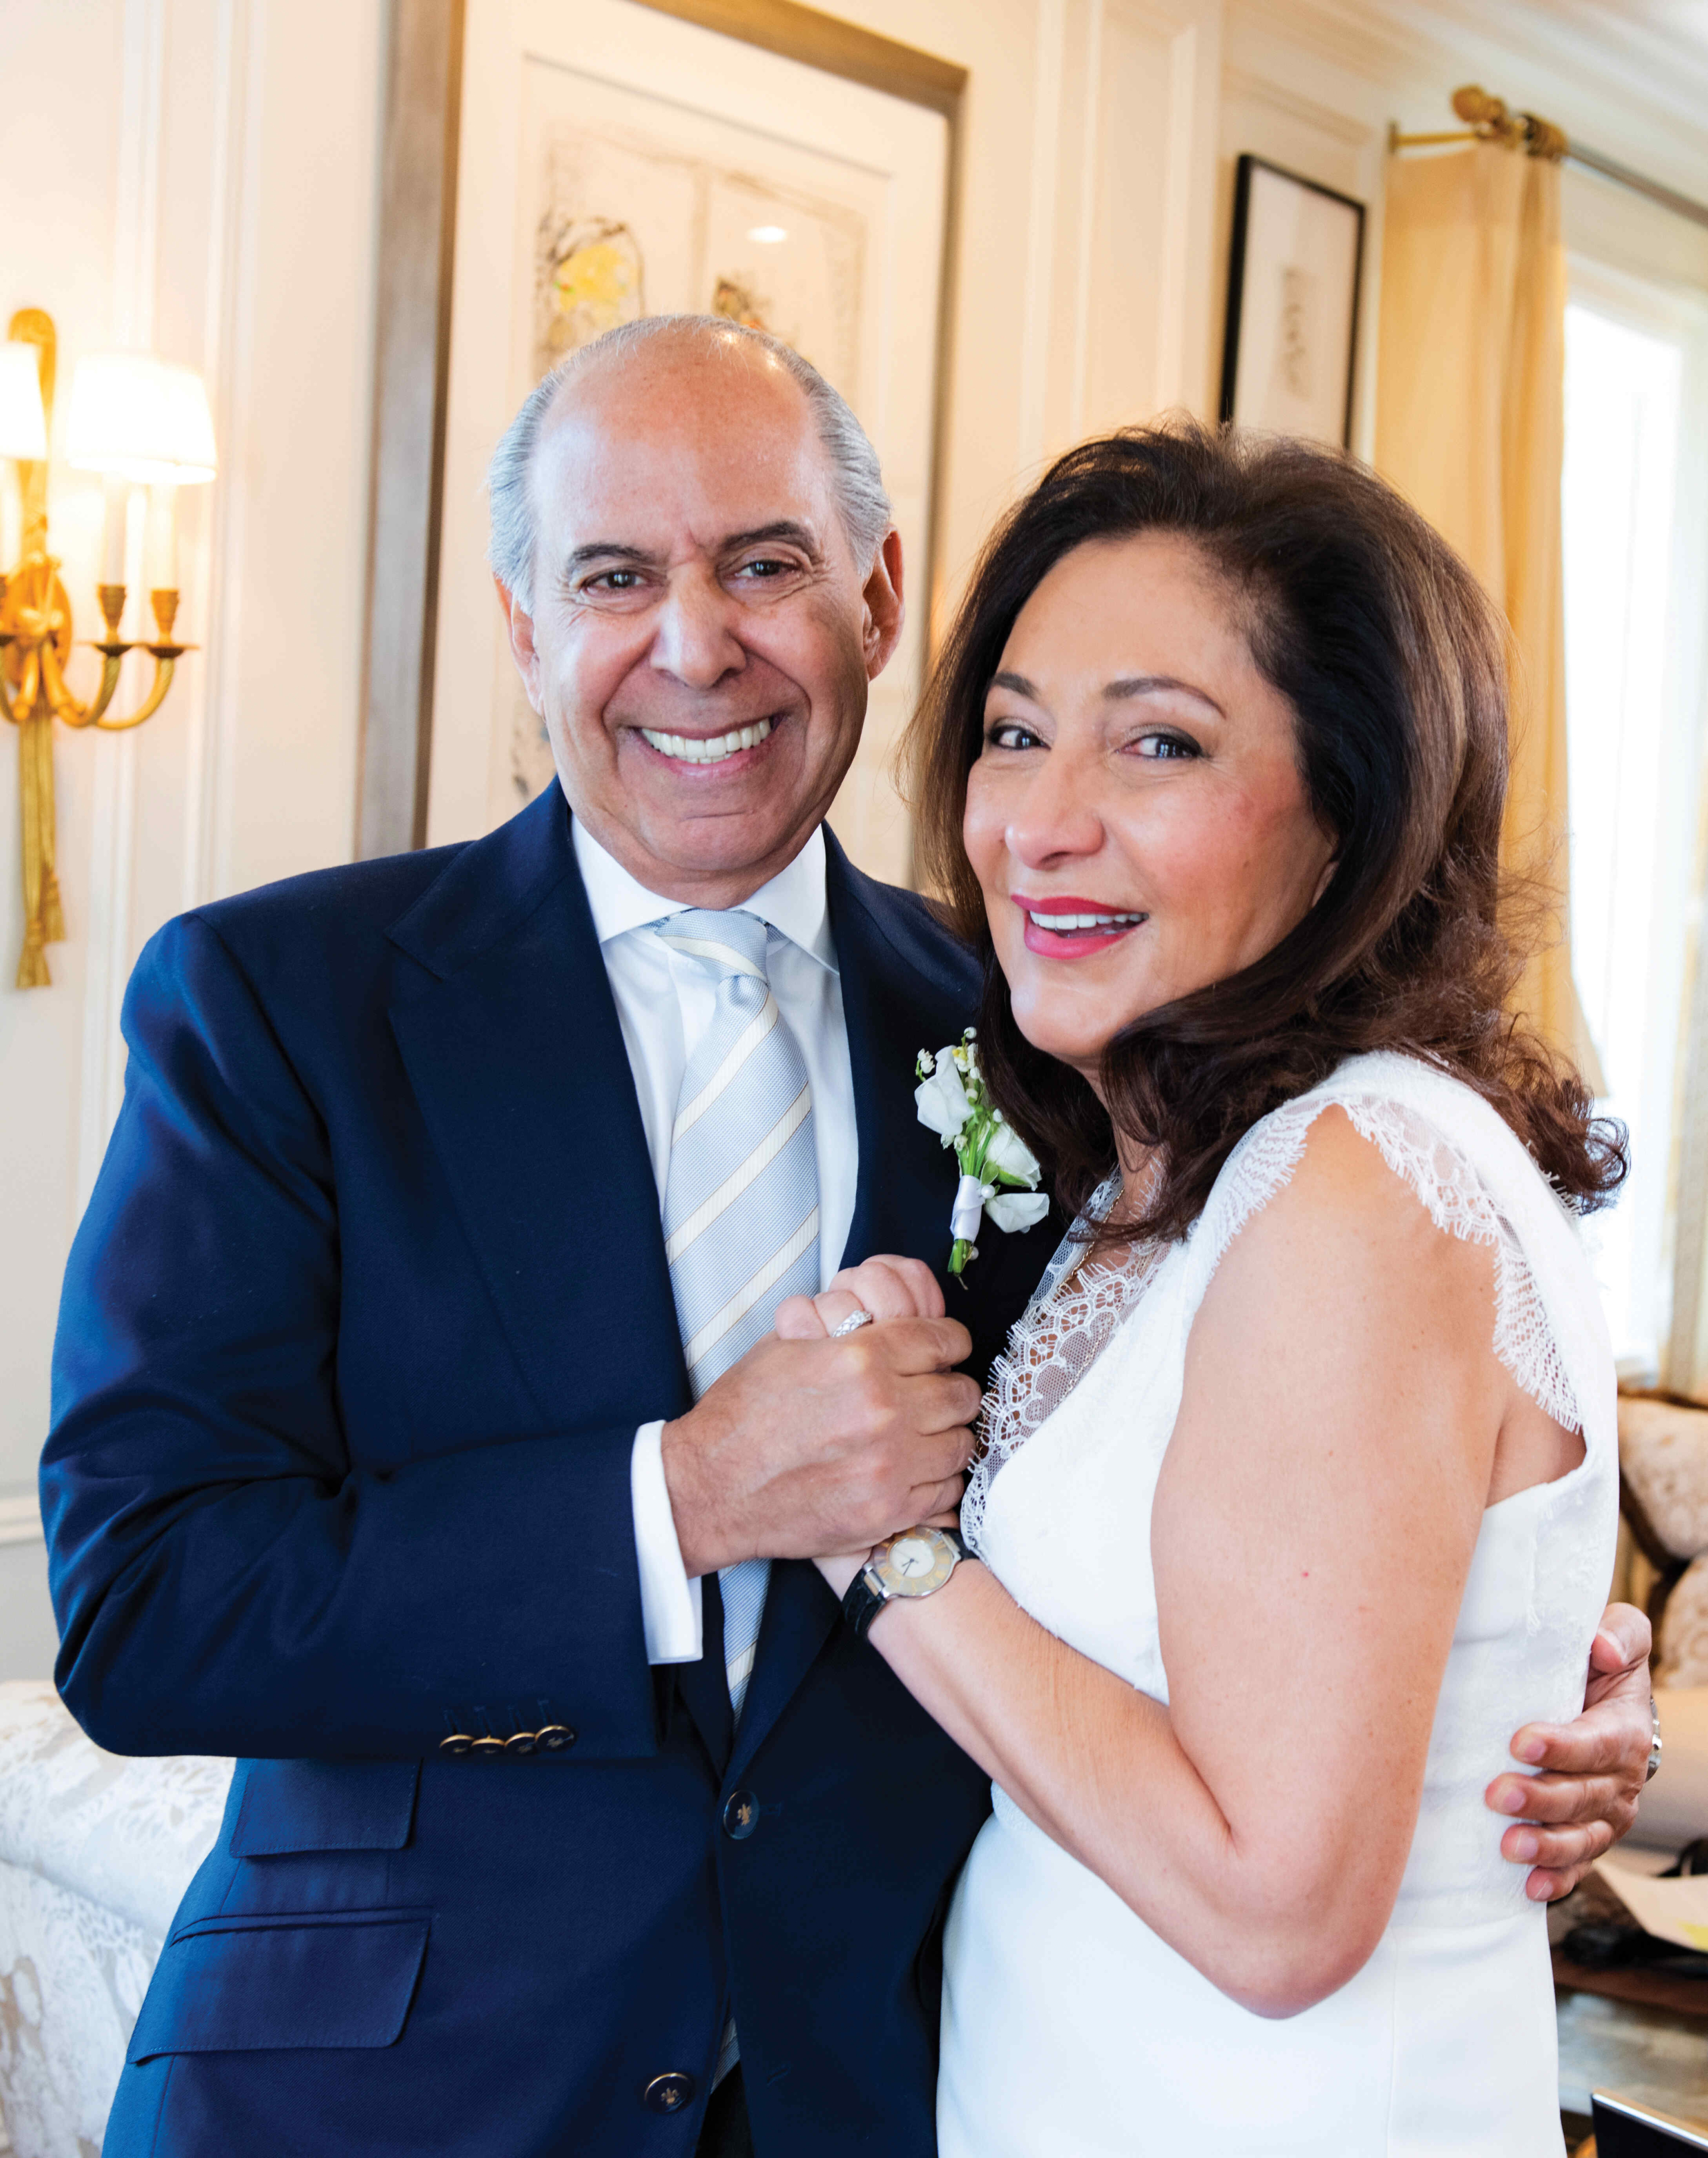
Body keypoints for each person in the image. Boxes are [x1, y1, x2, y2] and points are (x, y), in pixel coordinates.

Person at [42, 326, 1649, 2158]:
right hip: (387, 2097)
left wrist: (1497, 1675)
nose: (693, 640)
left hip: (880, 2094)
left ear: (878, 600)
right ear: (524, 630)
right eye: (615, 576)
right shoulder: (281, 1001)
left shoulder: (1055, 1022)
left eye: (765, 563)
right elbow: (145, 1600)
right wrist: (684, 1500)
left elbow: (1260, 1490)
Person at [780, 422, 1647, 2155]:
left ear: (1353, 809)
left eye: (1158, 742)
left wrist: (882, 1539)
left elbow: (1275, 1911)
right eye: (1015, 733)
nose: (1043, 823)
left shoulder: (1354, 1186)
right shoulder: (1170, 1165)